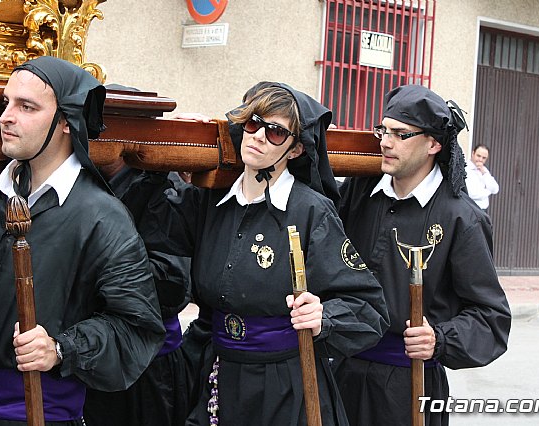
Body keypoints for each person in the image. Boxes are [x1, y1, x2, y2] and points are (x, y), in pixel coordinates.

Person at [130, 83, 389, 425]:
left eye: (277, 131)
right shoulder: (211, 202)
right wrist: (166, 152)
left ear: (296, 149)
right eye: (252, 123)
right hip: (217, 375)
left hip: (285, 386)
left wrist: (324, 316)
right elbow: (144, 221)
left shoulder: (311, 211)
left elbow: (369, 308)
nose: (259, 136)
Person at [0, 56, 165, 425]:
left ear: (67, 122)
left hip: (33, 416)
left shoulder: (101, 217)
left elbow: (137, 329)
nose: (6, 116)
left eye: (27, 107)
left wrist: (60, 347)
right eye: (5, 103)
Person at [333, 85, 511, 426]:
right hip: (342, 374)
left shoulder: (461, 218)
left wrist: (439, 338)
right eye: (383, 130)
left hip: (409, 387)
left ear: (433, 144)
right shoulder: (358, 193)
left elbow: (491, 318)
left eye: (400, 134)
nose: (385, 142)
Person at [84, 155, 193, 426]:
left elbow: (172, 286)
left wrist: (93, 270)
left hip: (149, 370)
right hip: (90, 358)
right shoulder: (82, 181)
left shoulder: (165, 187)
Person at [465, 144, 499, 211]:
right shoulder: (465, 169)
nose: (480, 159)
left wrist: (484, 173)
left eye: (484, 158)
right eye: (478, 156)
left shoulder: (484, 170)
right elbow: (471, 194)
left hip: (483, 210)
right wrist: (488, 191)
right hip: (470, 210)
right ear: (473, 153)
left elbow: (495, 189)